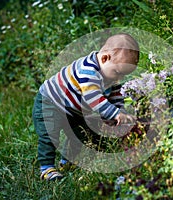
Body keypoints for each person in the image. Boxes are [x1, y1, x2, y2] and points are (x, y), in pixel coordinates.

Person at [32, 33, 140, 181]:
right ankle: (46, 168)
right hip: (50, 103)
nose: (119, 79)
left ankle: (67, 162)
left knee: (81, 134)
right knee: (49, 136)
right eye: (118, 73)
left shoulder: (111, 75)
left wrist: (119, 112)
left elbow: (116, 97)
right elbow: (93, 98)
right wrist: (113, 113)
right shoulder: (88, 70)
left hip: (74, 109)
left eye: (123, 75)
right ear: (104, 58)